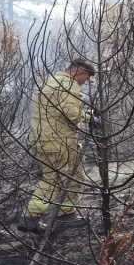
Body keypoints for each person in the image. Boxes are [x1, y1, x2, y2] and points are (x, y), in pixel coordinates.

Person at [18, 58, 100, 234]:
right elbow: (69, 111)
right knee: (55, 181)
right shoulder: (68, 84)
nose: (84, 82)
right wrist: (90, 118)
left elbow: (55, 110)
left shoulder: (48, 82)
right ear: (79, 72)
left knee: (69, 174)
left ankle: (66, 213)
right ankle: (30, 217)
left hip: (42, 139)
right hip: (59, 140)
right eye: (85, 78)